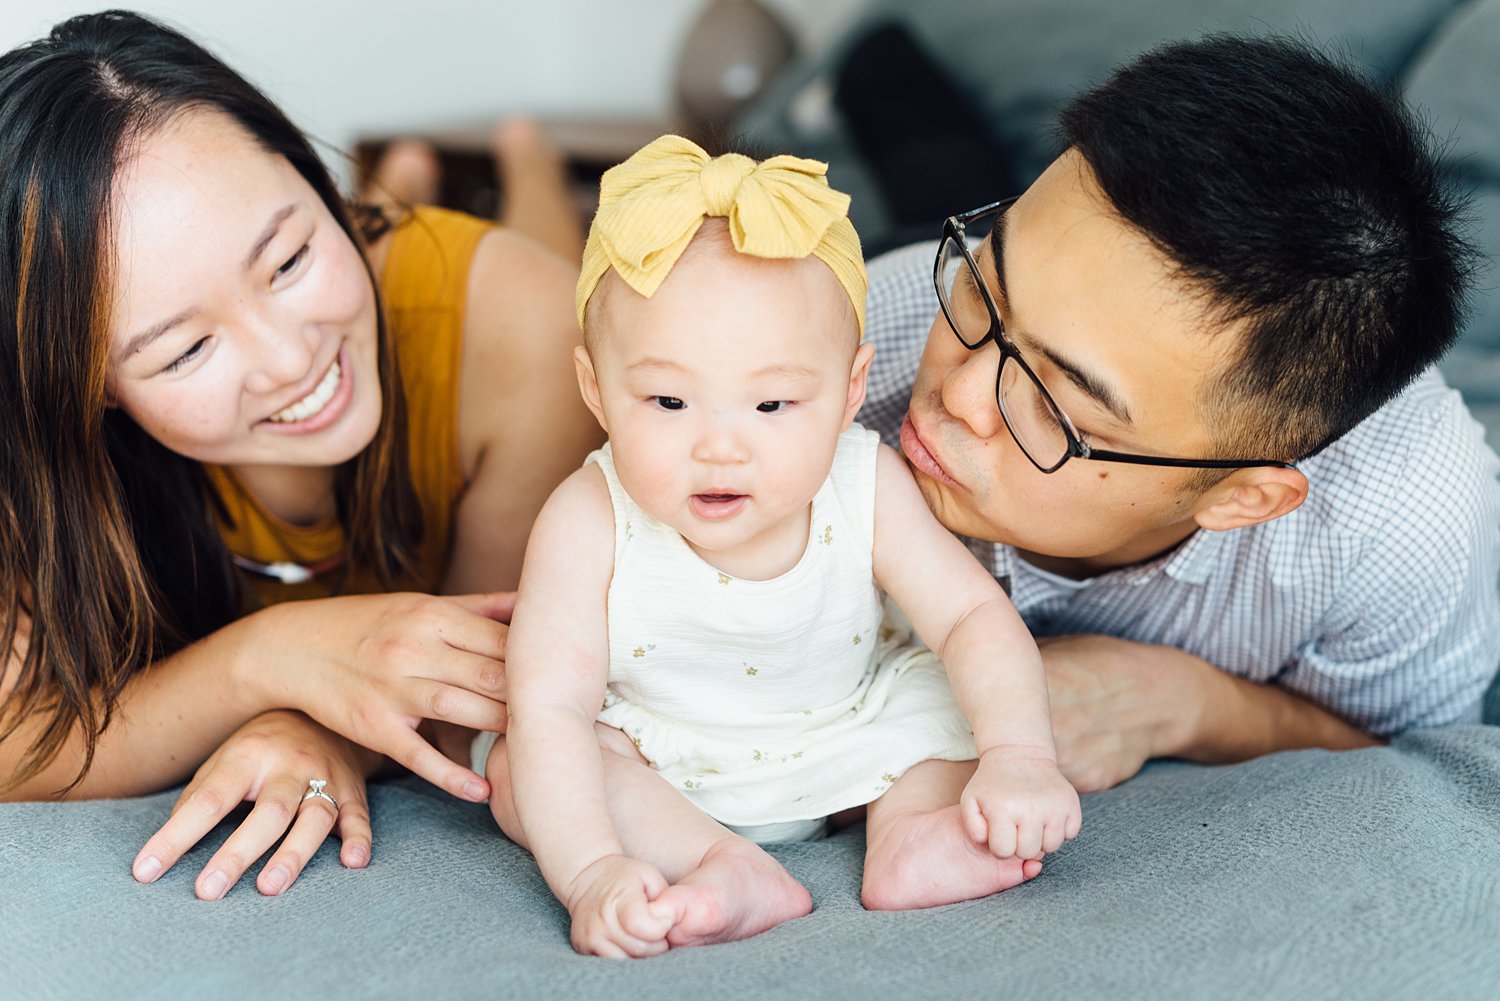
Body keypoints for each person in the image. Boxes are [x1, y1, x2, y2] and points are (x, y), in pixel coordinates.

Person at [0, 10, 600, 902]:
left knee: (553, 264)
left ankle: (526, 162)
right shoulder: (31, 439)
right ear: (92, 388)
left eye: (286, 258)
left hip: (489, 292)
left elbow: (490, 676)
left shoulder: (530, 333)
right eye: (184, 351)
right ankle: (391, 191)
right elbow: (18, 742)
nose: (289, 360)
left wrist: (316, 729)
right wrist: (265, 660)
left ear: (309, 176)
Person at [853, 33, 1500, 794]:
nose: (957, 398)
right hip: (927, 247)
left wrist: (1182, 702)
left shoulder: (1404, 523)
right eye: (981, 289)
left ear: (1243, 497)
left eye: (1059, 405)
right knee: (938, 186)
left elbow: (1429, 766)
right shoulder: (861, 335)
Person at [483, 136, 1082, 958]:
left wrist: (1020, 755)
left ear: (849, 392)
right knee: (525, 763)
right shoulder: (587, 515)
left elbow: (974, 614)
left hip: (849, 724)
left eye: (771, 405)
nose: (720, 447)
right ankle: (719, 863)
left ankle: (910, 835)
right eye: (667, 399)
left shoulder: (866, 480)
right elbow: (553, 703)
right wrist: (590, 871)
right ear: (595, 390)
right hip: (665, 755)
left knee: (943, 692)